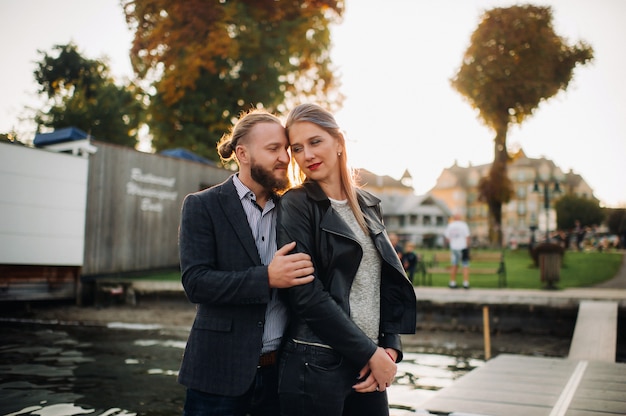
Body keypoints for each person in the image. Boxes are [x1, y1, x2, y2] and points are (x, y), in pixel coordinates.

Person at [276, 103, 417, 416]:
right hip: (314, 364)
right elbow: (305, 295)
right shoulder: (297, 204)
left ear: (338, 142)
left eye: (315, 142)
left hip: (368, 364)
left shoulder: (368, 205)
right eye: (297, 148)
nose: (307, 155)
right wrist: (370, 352)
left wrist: (390, 347)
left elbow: (383, 281)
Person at [177, 108, 315, 416]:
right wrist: (266, 277)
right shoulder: (201, 206)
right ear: (243, 153)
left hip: (282, 375)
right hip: (216, 375)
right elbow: (196, 283)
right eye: (272, 149)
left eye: (285, 149)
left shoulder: (292, 211)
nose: (284, 157)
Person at [443, 213, 471, 289]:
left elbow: (447, 237)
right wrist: (468, 247)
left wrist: (452, 243)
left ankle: (452, 282)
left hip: (454, 248)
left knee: (454, 265)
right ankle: (465, 283)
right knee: (465, 266)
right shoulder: (463, 225)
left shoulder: (450, 225)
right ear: (460, 217)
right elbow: (467, 237)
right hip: (463, 247)